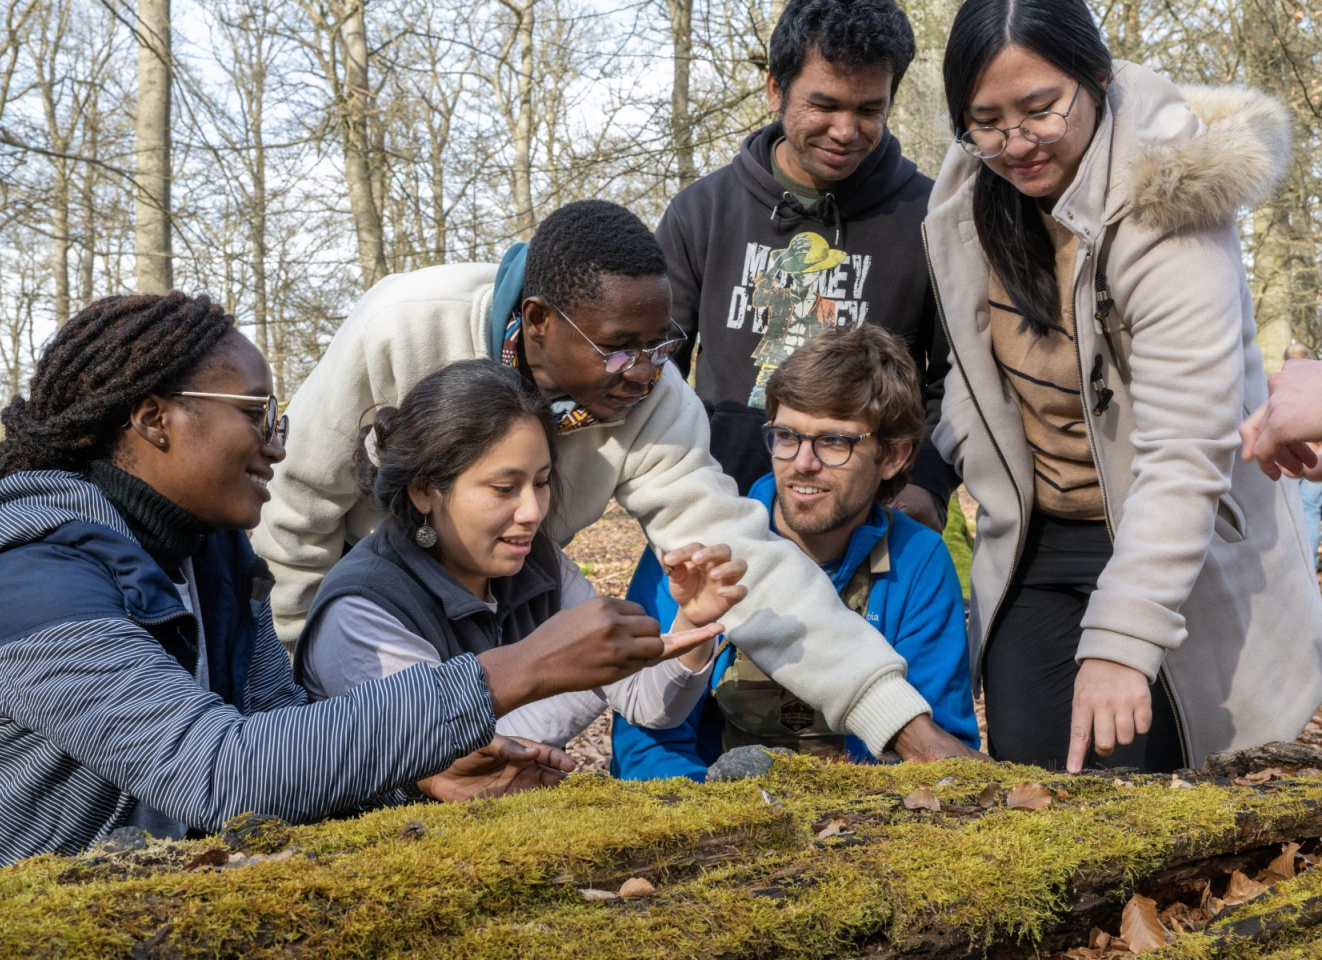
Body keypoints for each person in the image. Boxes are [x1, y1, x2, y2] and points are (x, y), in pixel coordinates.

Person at [0, 293, 719, 895]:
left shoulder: (215, 563)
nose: (279, 445)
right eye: (253, 414)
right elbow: (214, 771)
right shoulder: (34, 571)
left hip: (117, 910)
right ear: (153, 420)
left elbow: (280, 749)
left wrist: (422, 781)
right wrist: (508, 675)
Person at [254, 199, 982, 766]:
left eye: (661, 344)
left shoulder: (654, 400)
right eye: (619, 349)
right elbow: (291, 523)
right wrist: (298, 719)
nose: (644, 372)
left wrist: (895, 719)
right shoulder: (401, 328)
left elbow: (746, 556)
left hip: (502, 631)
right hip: (363, 635)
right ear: (539, 322)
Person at [927, 0, 1322, 773]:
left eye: (1042, 109)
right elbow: (966, 371)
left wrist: (1122, 639)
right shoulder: (966, 195)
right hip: (1037, 538)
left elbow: (1185, 450)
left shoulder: (1172, 206)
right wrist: (979, 461)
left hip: (1172, 542)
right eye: (988, 122)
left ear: (1095, 76)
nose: (1018, 144)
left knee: (1146, 795)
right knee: (1037, 789)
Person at [298, 359, 743, 748]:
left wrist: (694, 623)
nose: (532, 511)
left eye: (542, 482)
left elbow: (651, 706)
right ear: (424, 490)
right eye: (504, 488)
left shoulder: (538, 563)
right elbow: (455, 759)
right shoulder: (362, 611)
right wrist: (576, 668)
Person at [611, 325, 978, 780]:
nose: (803, 462)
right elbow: (646, 741)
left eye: (834, 441)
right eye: (787, 436)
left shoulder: (918, 561)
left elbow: (935, 745)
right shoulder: (695, 539)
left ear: (894, 457)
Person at [655, 0, 955, 529]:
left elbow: (955, 376)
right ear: (776, 89)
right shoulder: (702, 212)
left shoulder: (931, 219)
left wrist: (930, 484)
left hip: (868, 523)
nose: (846, 130)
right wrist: (671, 484)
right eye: (824, 104)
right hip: (719, 511)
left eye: (869, 109)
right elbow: (656, 372)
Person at [1281, 343, 1322, 572]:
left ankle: (1304, 569)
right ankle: (1308, 569)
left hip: (1293, 460)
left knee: (1299, 513)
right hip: (1308, 458)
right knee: (1308, 512)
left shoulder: (1280, 380)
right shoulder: (1314, 377)